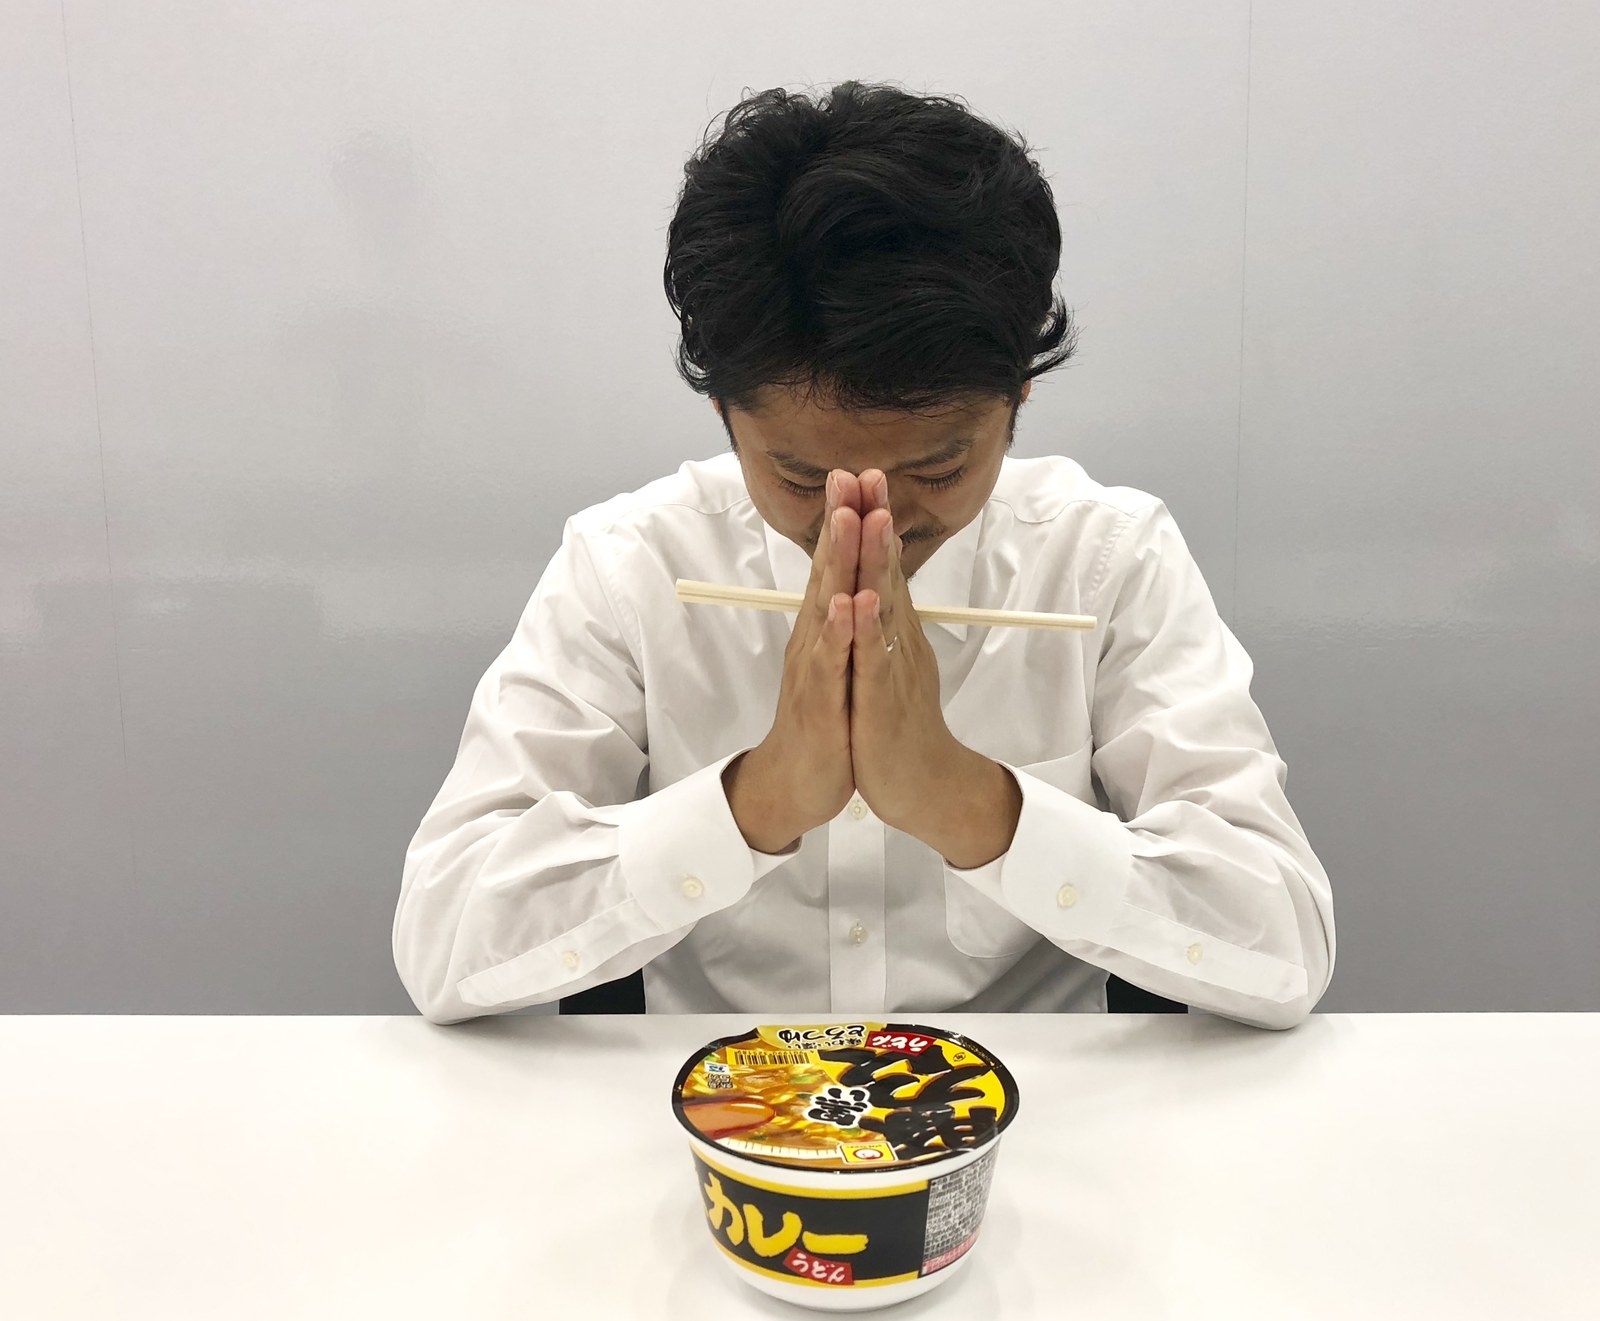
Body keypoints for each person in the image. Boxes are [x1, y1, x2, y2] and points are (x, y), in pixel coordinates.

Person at [393, 82, 1334, 1029]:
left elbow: (1288, 949)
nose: (872, 519)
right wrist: (755, 801)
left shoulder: (1105, 559)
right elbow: (441, 943)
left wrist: (969, 803)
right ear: (723, 412)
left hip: (1041, 1099)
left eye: (939, 467)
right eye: (802, 475)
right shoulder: (632, 565)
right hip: (725, 1096)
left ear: (1018, 396)